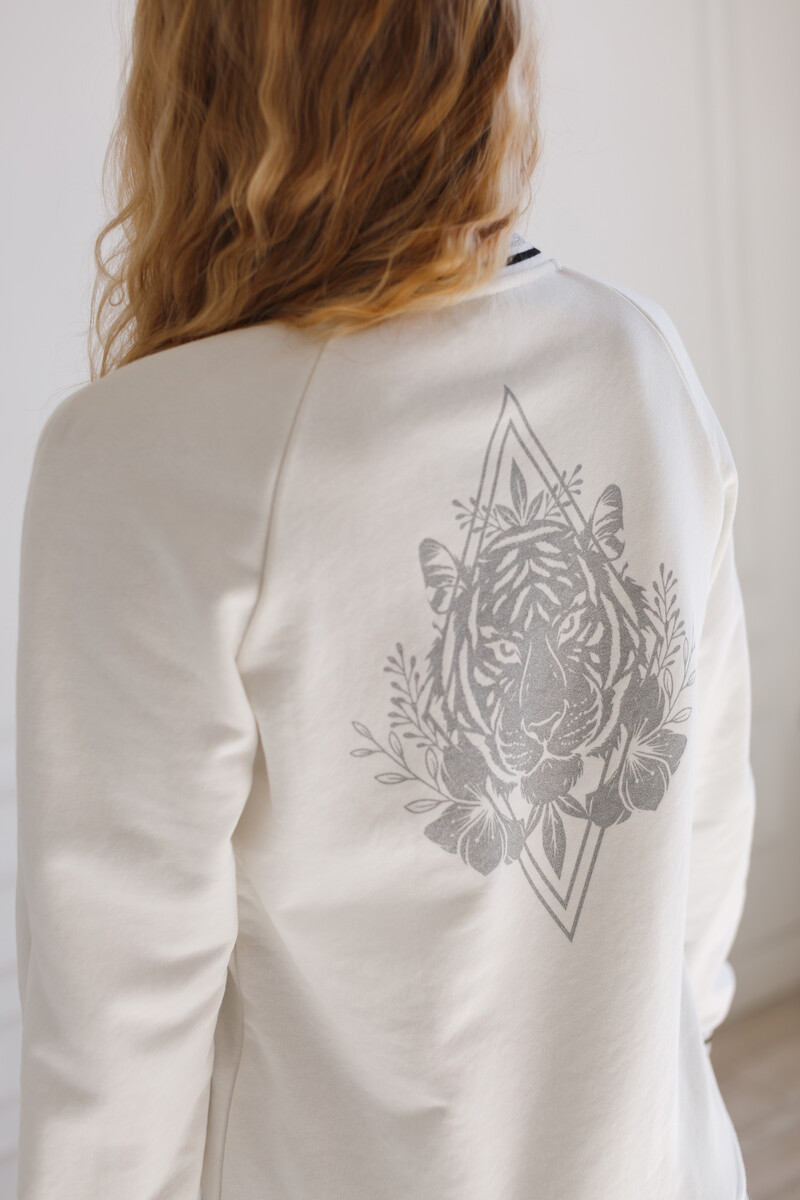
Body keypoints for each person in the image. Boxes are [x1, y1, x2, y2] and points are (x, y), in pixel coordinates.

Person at [14, 2, 756, 1197]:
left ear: (199, 74)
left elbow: (114, 1049)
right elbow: (698, 864)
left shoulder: (145, 459)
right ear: (480, 54)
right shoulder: (638, 359)